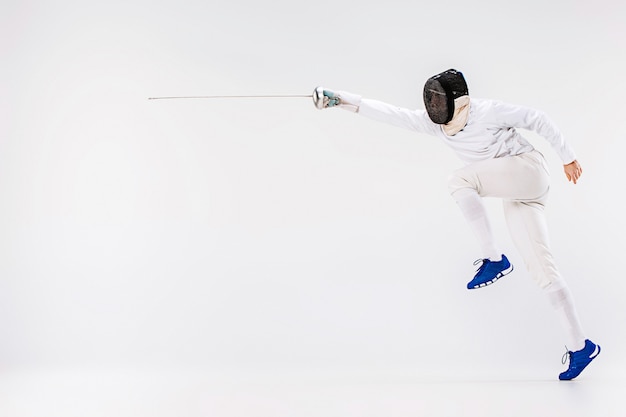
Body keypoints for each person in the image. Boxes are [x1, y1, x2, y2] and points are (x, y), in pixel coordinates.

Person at [313, 69, 600, 380]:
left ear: (457, 101)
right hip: (517, 193)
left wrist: (567, 156)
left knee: (459, 180)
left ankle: (495, 259)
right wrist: (340, 100)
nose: (433, 106)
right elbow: (391, 114)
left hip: (529, 171)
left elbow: (538, 118)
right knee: (544, 272)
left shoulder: (488, 112)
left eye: (438, 99)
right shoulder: (435, 126)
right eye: (431, 99)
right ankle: (580, 346)